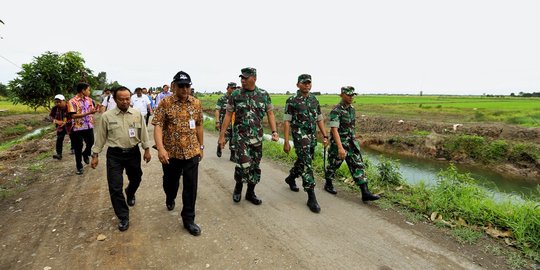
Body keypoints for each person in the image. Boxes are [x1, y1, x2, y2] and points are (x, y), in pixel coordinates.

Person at [91, 86, 151, 231]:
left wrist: (147, 149)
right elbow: (100, 137)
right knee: (115, 187)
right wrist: (95, 155)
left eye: (127, 98)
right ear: (114, 99)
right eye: (121, 99)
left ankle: (130, 193)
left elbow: (143, 133)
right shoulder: (107, 116)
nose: (125, 101)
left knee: (136, 178)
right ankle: (123, 216)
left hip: (133, 153)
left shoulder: (137, 114)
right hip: (114, 155)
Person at [152, 71, 204, 236]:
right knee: (170, 183)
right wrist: (161, 148)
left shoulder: (196, 103)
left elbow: (199, 125)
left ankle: (188, 219)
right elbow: (158, 125)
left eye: (187, 85)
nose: (184, 89)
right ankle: (170, 196)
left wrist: (201, 147)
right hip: (171, 153)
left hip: (191, 152)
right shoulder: (165, 103)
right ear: (174, 86)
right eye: (181, 85)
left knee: (191, 187)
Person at [218, 67, 279, 205]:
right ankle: (238, 187)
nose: (243, 80)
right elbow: (228, 115)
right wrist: (222, 136)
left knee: (255, 166)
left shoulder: (263, 94)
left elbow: (270, 113)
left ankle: (250, 192)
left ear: (254, 78)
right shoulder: (236, 95)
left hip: (257, 137)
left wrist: (274, 131)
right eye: (242, 78)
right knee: (243, 164)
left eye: (246, 78)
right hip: (241, 137)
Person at [282, 74, 329, 213]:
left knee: (303, 161)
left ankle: (291, 178)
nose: (307, 85)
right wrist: (286, 141)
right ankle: (311, 196)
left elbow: (319, 118)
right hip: (299, 136)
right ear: (298, 85)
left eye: (309, 83)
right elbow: (286, 121)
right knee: (307, 164)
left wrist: (325, 135)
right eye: (304, 83)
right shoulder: (292, 101)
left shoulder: (314, 100)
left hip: (312, 136)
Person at [324, 86, 380, 202]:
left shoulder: (352, 109)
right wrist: (340, 147)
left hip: (351, 144)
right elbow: (334, 130)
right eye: (348, 95)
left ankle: (365, 192)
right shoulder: (336, 110)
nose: (351, 97)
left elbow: (351, 127)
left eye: (352, 95)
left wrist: (355, 137)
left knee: (358, 165)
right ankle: (328, 184)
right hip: (339, 144)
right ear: (341, 95)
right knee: (333, 165)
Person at [68, 82, 98, 175]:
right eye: (88, 90)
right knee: (78, 147)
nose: (89, 91)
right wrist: (88, 113)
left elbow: (91, 112)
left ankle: (85, 153)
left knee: (91, 142)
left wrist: (94, 111)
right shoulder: (72, 102)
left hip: (88, 125)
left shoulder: (89, 100)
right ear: (83, 90)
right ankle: (79, 166)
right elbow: (73, 116)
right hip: (77, 128)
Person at [215, 82, 236, 161]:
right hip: (224, 123)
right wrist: (217, 122)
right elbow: (217, 110)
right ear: (227, 88)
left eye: (234, 88)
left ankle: (233, 155)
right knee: (225, 138)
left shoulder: (236, 98)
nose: (233, 90)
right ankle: (219, 147)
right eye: (232, 88)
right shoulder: (222, 98)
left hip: (234, 123)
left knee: (234, 139)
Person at [49, 94, 73, 160]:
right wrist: (55, 121)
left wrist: (65, 122)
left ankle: (73, 148)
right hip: (60, 127)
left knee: (72, 137)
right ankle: (59, 154)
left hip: (69, 125)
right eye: (56, 102)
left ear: (64, 101)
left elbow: (73, 117)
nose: (58, 103)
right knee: (59, 138)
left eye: (59, 102)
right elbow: (50, 116)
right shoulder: (55, 108)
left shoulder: (70, 107)